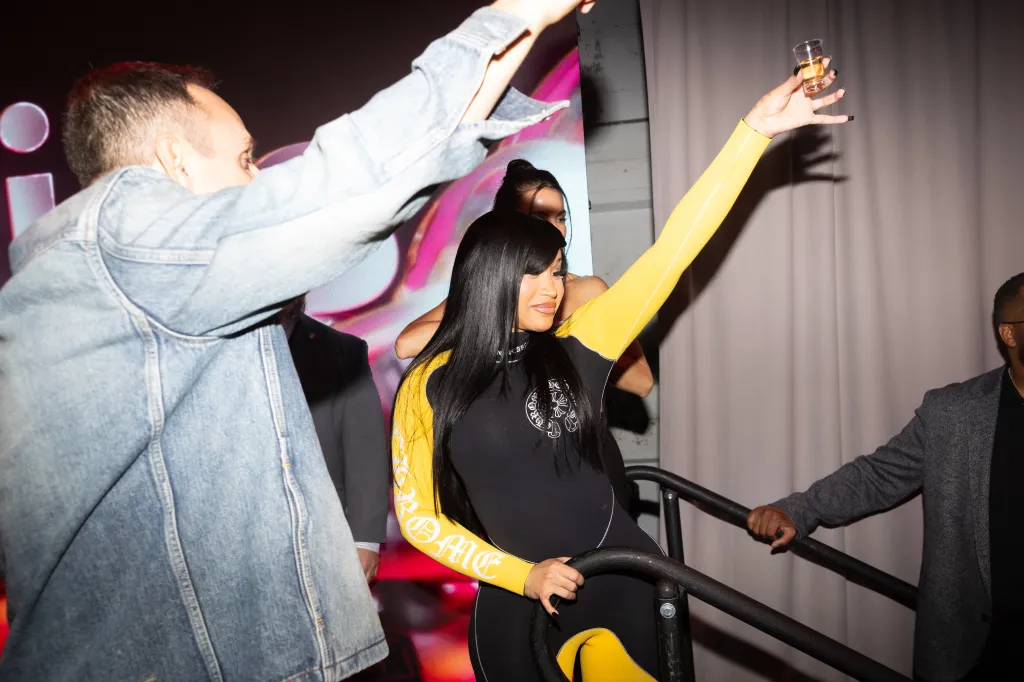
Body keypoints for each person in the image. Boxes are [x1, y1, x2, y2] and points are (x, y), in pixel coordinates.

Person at [0, 2, 597, 680]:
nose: (257, 178)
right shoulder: (133, 237)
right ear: (174, 161)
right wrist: (515, 13)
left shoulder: (97, 282)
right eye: (246, 159)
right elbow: (354, 181)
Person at [392, 71, 848, 681]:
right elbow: (420, 518)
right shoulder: (429, 383)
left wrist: (753, 134)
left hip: (623, 574)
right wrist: (520, 575)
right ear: (493, 276)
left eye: (558, 272)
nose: (555, 290)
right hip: (517, 600)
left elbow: (672, 251)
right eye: (536, 274)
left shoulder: (580, 341)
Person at [747, 272, 1024, 682]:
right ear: (1009, 334)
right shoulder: (955, 413)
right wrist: (798, 510)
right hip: (978, 647)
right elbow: (879, 475)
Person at [393, 159, 654, 506]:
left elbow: (641, 381)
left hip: (588, 466)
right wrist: (500, 315)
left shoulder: (587, 292)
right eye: (540, 217)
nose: (556, 230)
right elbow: (406, 344)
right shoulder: (485, 295)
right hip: (513, 475)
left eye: (561, 217)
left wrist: (580, 337)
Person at [280, 296, 389, 583]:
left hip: (322, 533)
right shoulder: (215, 349)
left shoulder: (342, 350)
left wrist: (365, 541)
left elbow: (365, 449)